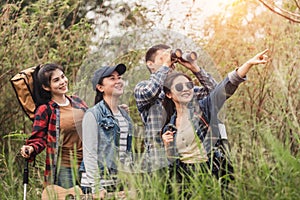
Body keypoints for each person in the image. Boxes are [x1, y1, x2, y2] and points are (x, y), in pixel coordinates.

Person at [161, 49, 269, 198]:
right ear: (169, 94)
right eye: (179, 87)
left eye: (189, 85)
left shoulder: (204, 108)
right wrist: (167, 147)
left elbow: (224, 88)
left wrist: (248, 64)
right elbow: (171, 163)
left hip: (209, 171)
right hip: (184, 178)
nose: (186, 89)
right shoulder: (169, 127)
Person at [134, 44, 218, 172]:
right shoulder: (142, 87)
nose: (170, 61)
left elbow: (215, 92)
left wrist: (195, 69)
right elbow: (150, 92)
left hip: (182, 165)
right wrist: (165, 67)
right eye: (163, 58)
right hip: (157, 162)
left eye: (170, 57)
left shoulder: (181, 90)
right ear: (150, 64)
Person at [20, 63, 88, 189]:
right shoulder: (45, 110)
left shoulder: (78, 101)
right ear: (46, 87)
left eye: (63, 77)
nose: (63, 82)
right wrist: (31, 148)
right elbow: (39, 138)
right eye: (56, 80)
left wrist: (114, 112)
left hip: (88, 166)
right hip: (64, 170)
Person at [82, 64, 134, 199]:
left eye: (119, 77)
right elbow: (89, 153)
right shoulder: (93, 114)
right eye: (112, 78)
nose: (118, 81)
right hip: (99, 183)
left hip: (119, 181)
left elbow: (125, 151)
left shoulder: (124, 115)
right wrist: (96, 187)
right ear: (100, 87)